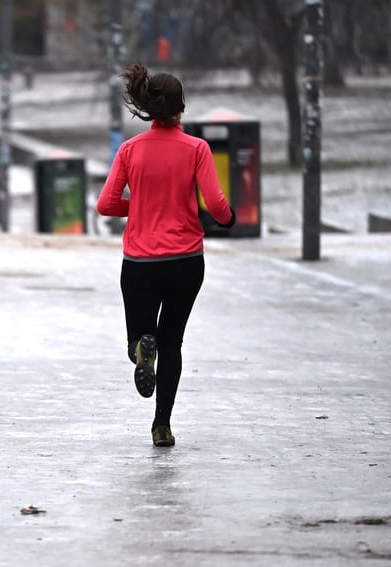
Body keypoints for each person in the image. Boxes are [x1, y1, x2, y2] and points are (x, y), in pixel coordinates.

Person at [96, 64, 235, 448]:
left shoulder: (129, 150)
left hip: (140, 264)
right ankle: (162, 426)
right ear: (181, 110)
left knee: (141, 338)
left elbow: (107, 204)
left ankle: (141, 348)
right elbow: (217, 203)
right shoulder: (197, 149)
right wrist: (227, 218)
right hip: (186, 262)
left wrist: (139, 206)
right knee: (172, 342)